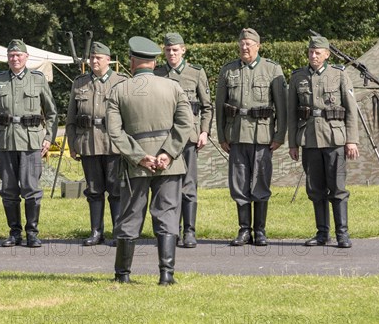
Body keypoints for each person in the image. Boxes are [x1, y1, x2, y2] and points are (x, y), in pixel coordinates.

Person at [106, 36, 193, 285]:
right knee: (167, 215)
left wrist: (139, 156)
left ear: (133, 62)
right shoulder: (173, 87)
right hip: (170, 164)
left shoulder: (119, 90)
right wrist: (168, 152)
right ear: (154, 63)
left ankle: (122, 275)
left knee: (130, 215)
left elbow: (114, 132)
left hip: (136, 166)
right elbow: (186, 123)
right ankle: (166, 275)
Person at [0, 39, 58, 248]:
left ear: (26, 57)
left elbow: (51, 113)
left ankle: (32, 232)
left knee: (31, 188)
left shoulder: (38, 79)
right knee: (8, 190)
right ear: (7, 58)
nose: (15, 59)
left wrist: (48, 137)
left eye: (18, 55)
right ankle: (14, 233)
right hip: (5, 142)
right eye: (11, 55)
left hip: (31, 142)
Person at [215, 28, 287, 247]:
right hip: (236, 136)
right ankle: (244, 230)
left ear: (258, 46)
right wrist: (221, 136)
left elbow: (281, 107)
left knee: (260, 183)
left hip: (262, 136)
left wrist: (279, 135)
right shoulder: (228, 70)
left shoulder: (272, 70)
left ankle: (260, 231)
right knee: (239, 185)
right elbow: (219, 106)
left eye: (249, 44)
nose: (244, 47)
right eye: (242, 43)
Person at [288, 36, 359, 248]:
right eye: (311, 52)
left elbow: (351, 109)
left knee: (337, 188)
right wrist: (293, 143)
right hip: (309, 140)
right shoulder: (298, 77)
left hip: (334, 139)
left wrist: (351, 140)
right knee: (315, 189)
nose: (313, 55)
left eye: (318, 52)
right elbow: (292, 113)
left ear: (327, 54)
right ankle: (322, 234)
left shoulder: (339, 75)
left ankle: (342, 234)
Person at [154, 33, 213, 248]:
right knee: (168, 187)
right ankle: (171, 231)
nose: (171, 54)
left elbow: (207, 106)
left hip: (188, 137)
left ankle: (189, 231)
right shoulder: (158, 73)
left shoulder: (195, 73)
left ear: (183, 50)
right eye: (168, 50)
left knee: (188, 186)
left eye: (175, 50)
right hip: (164, 139)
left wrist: (204, 131)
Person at [66, 41, 127, 246]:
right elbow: (71, 117)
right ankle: (96, 231)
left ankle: (118, 232)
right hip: (88, 142)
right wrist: (72, 144)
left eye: (98, 58)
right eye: (92, 58)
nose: (94, 61)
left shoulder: (121, 81)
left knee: (116, 189)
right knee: (93, 190)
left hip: (113, 143)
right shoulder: (80, 82)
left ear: (108, 60)